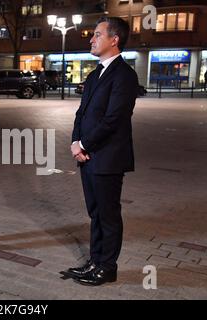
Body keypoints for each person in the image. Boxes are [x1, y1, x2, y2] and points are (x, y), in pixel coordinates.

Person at [68, 17, 138, 286]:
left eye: (97, 34)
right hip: (88, 156)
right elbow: (82, 113)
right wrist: (76, 142)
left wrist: (84, 145)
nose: (91, 39)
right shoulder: (95, 74)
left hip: (108, 157)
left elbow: (114, 120)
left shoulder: (124, 75)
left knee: (108, 215)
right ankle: (95, 261)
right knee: (95, 213)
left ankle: (107, 267)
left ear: (114, 39)